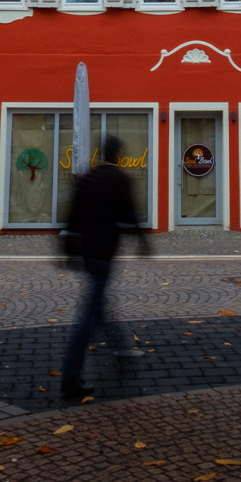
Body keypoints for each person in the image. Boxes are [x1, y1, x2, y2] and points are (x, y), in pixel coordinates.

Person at [60, 133, 150, 397]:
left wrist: (66, 248)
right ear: (117, 154)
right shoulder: (119, 178)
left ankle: (122, 350)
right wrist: (143, 242)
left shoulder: (87, 178)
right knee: (88, 317)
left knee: (100, 307)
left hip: (88, 254)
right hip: (105, 253)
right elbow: (130, 215)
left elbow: (72, 218)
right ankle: (70, 376)